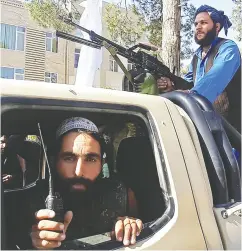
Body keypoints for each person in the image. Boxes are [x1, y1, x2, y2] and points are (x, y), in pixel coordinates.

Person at [30, 117, 143, 249]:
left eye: (90, 159)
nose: (79, 172)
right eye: (69, 158)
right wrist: (36, 242)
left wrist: (129, 225)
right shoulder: (33, 200)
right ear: (55, 162)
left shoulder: (122, 195)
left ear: (102, 163)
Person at [157, 5, 241, 132]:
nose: (198, 27)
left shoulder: (228, 48)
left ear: (217, 27)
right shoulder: (196, 57)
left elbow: (216, 78)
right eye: (196, 24)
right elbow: (189, 83)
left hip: (233, 131)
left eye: (203, 23)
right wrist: (171, 87)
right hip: (207, 126)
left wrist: (192, 94)